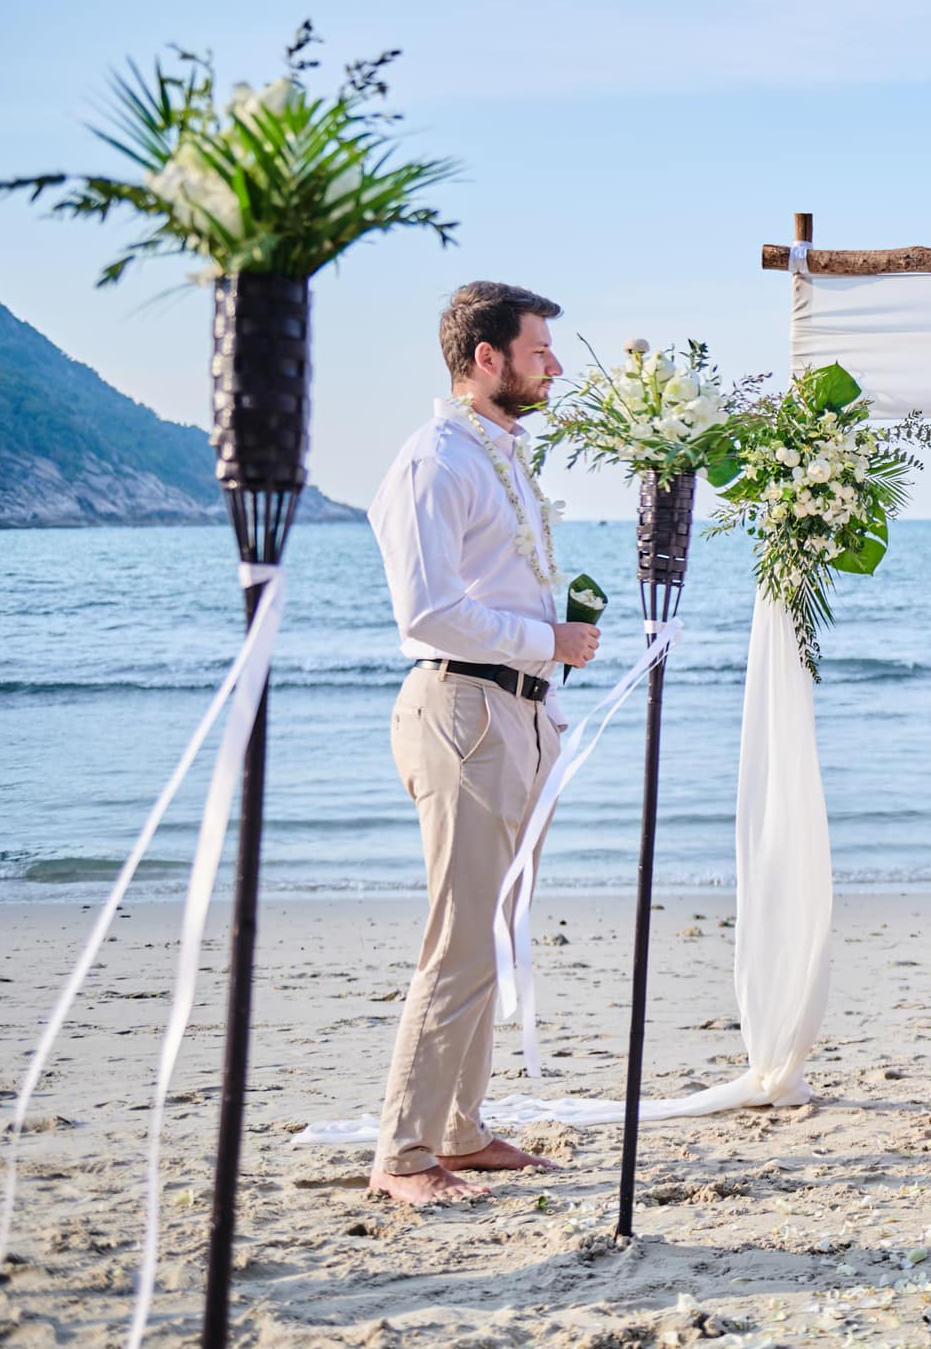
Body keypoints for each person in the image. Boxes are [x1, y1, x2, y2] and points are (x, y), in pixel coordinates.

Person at [365, 281, 599, 1204]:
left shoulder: (500, 455)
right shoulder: (434, 460)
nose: (556, 366)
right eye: (540, 349)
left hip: (519, 711)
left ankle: (460, 1128)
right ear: (486, 358)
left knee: (494, 932)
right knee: (460, 936)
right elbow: (426, 610)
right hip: (463, 711)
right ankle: (403, 1151)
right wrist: (545, 642)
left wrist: (550, 670)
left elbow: (499, 585)